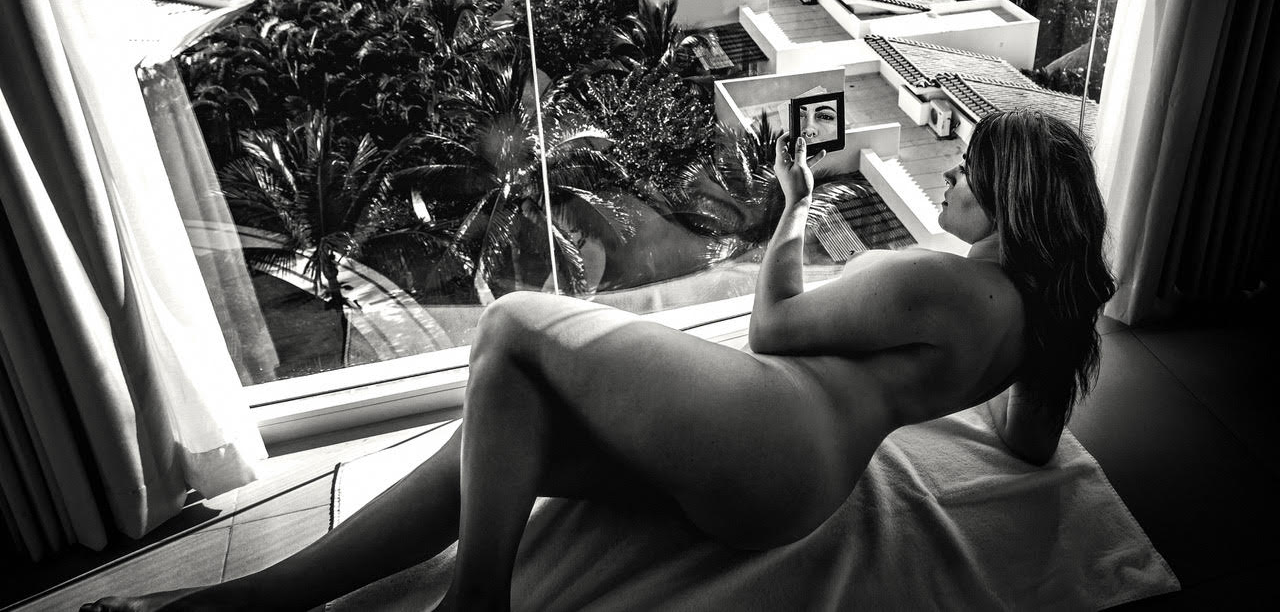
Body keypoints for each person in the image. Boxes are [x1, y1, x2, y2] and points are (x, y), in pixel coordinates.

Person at [83, 108, 1115, 612]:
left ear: (1008, 199)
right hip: (795, 473)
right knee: (504, 422)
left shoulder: (936, 282)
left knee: (513, 325)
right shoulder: (1044, 320)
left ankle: (472, 605)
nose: (950, 179)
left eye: (967, 171)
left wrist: (793, 207)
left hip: (775, 424)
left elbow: (772, 328)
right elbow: (1030, 446)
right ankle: (241, 604)